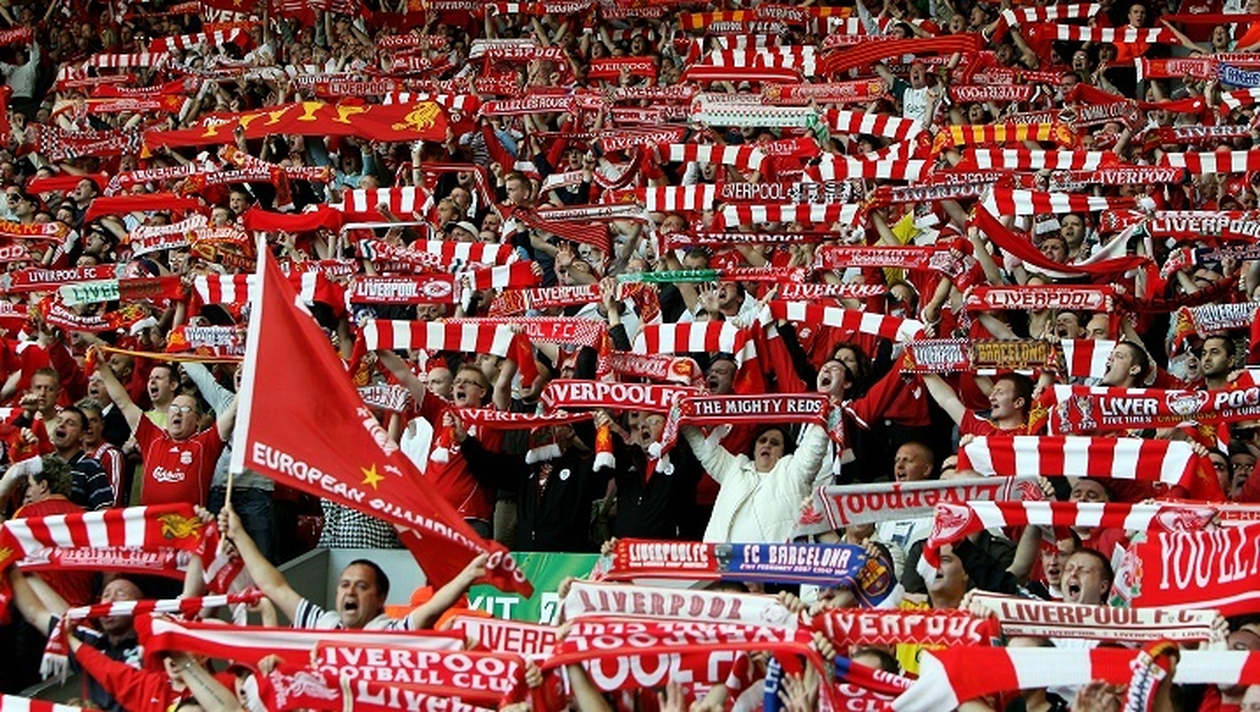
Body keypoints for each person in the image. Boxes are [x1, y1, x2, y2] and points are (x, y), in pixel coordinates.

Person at [218, 503, 487, 631]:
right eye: (345, 585)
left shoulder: (391, 633)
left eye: (361, 586)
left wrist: (468, 575)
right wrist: (238, 534)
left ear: (381, 598)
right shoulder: (324, 624)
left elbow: (433, 608)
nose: (350, 592)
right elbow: (275, 587)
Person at [94, 356, 235, 507]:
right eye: (174, 408)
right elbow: (123, 402)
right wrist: (102, 367)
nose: (177, 413)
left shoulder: (206, 444)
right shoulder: (152, 437)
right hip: (150, 520)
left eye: (185, 409)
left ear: (198, 420)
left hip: (188, 521)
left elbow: (233, 411)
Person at [681, 423, 829, 543]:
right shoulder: (733, 468)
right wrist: (681, 413)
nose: (767, 445)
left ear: (784, 452)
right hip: (721, 564)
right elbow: (702, 445)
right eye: (762, 440)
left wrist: (828, 409)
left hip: (773, 567)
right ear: (754, 448)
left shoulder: (794, 472)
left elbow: (815, 445)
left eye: (775, 443)